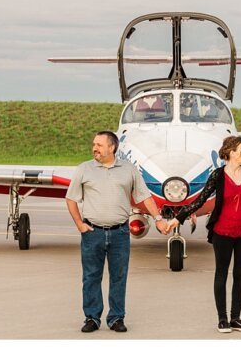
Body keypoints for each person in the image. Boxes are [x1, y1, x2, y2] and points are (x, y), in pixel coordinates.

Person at [166, 135, 241, 333]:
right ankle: (222, 319)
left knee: (240, 275)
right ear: (231, 153)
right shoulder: (218, 175)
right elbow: (199, 200)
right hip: (222, 232)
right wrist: (178, 218)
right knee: (221, 274)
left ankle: (236, 318)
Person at [66, 130, 170, 333]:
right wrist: (79, 224)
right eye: (94, 144)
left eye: (99, 145)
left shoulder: (129, 169)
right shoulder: (84, 169)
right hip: (92, 233)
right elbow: (71, 199)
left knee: (119, 277)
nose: (94, 148)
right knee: (91, 276)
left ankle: (116, 318)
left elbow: (145, 197)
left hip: (120, 233)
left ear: (112, 147)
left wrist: (158, 219)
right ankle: (92, 318)